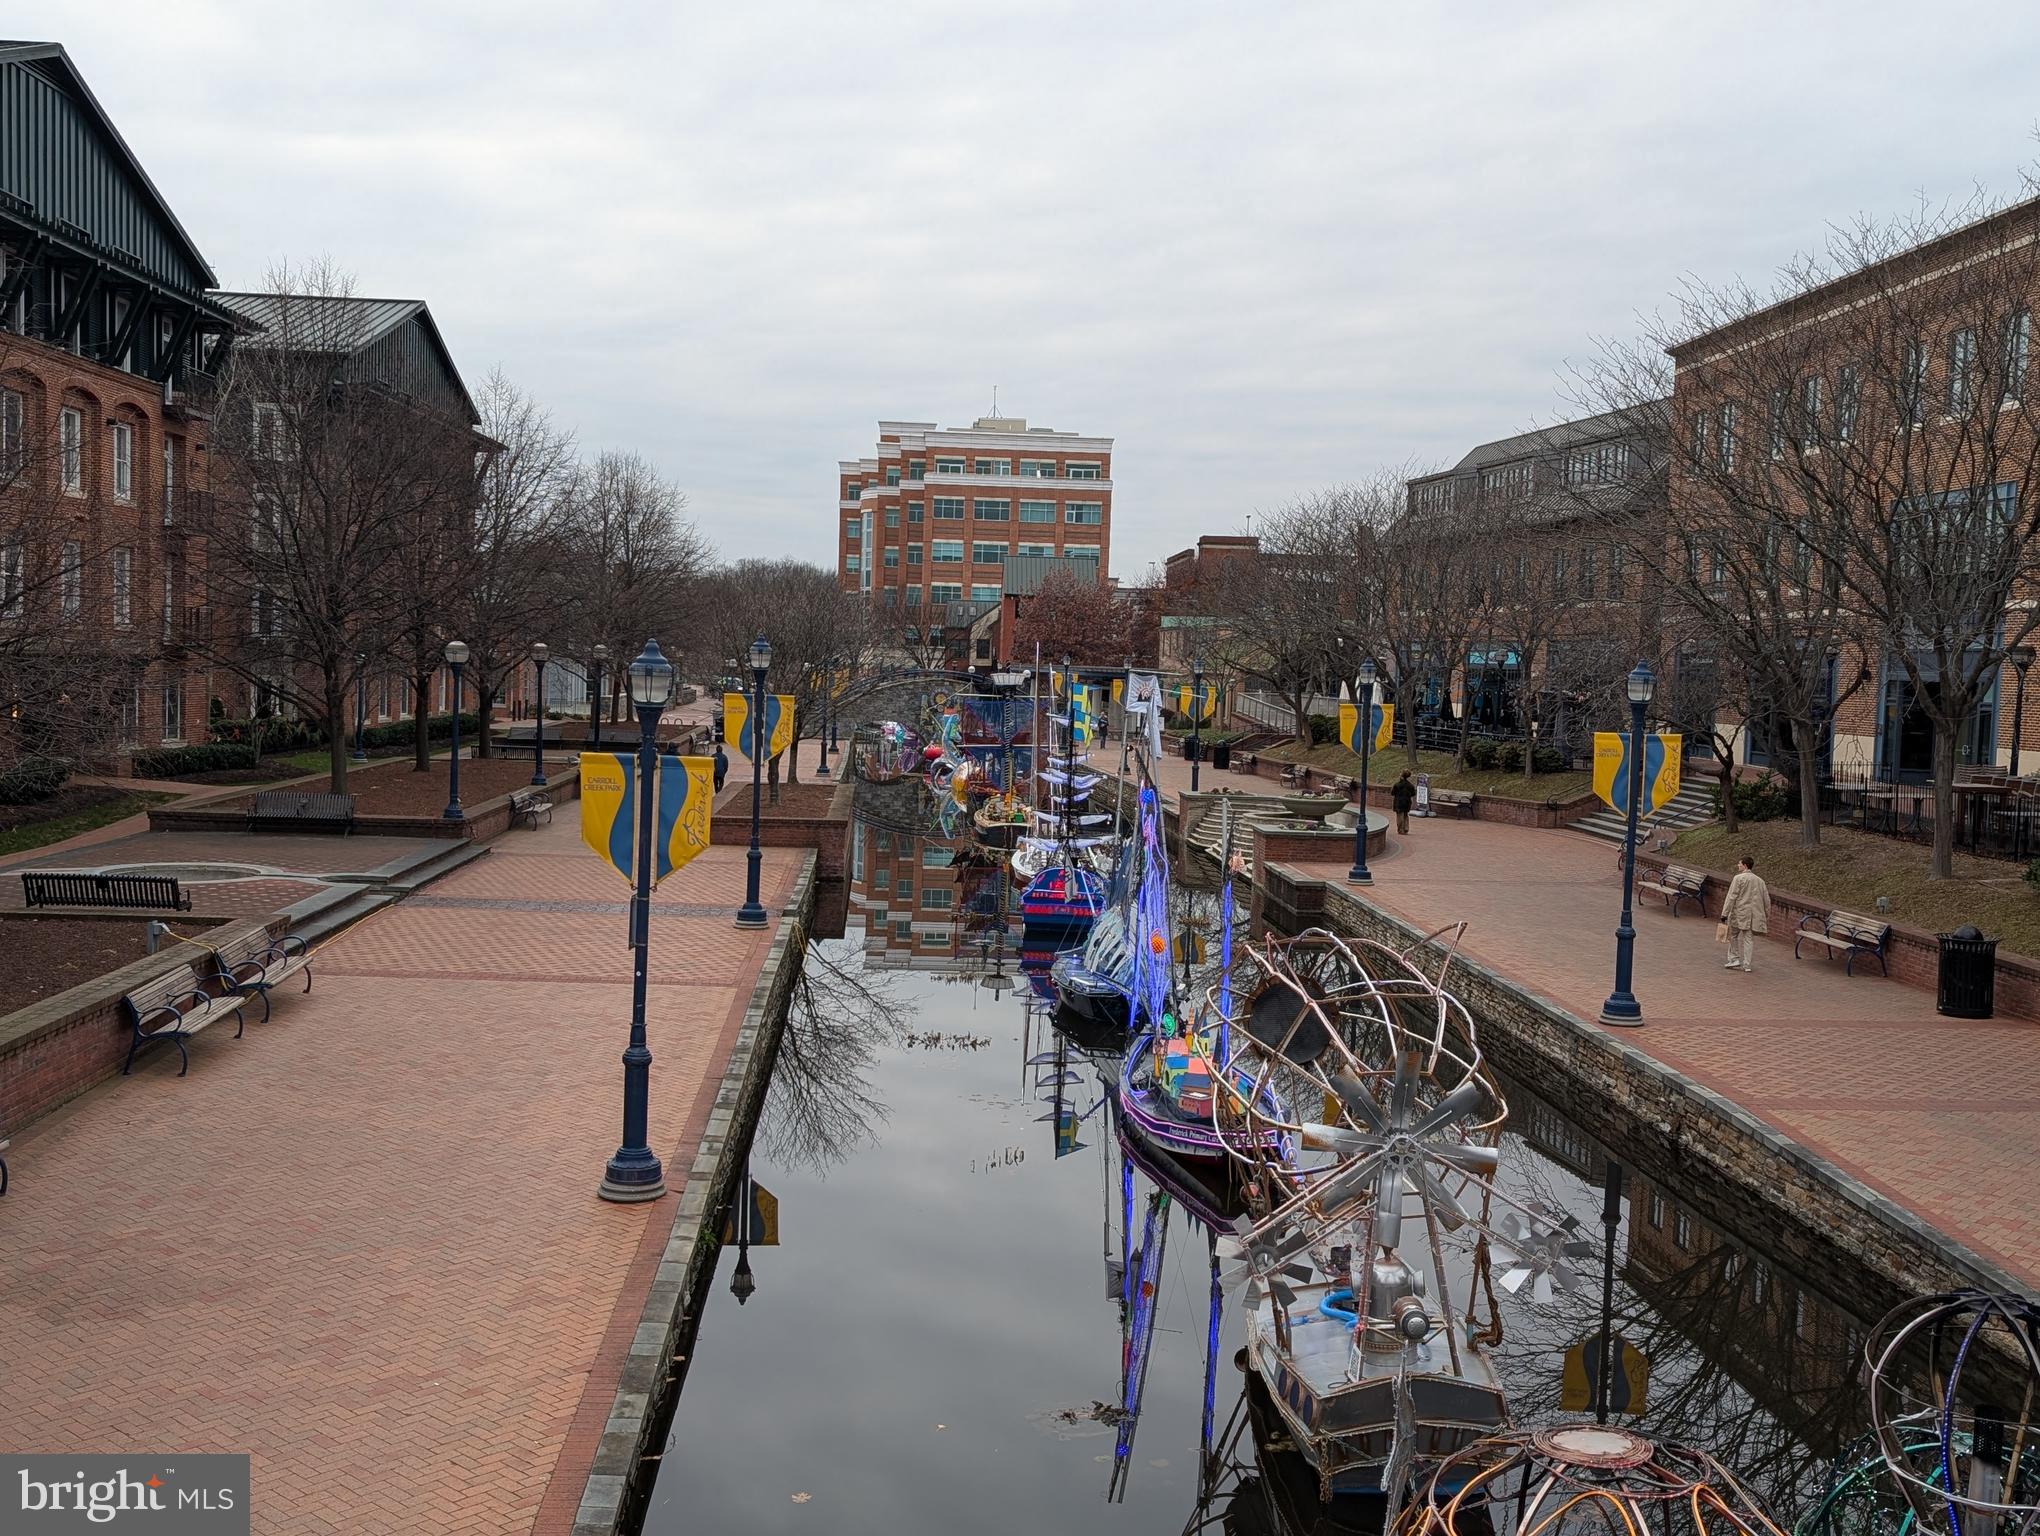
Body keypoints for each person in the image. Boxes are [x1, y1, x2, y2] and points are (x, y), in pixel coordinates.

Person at [1721, 854, 1769, 973]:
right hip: (1753, 915)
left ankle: (1734, 958)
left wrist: (1724, 913)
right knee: (1749, 939)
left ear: (1745, 865)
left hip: (1739, 912)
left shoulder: (1738, 879)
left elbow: (1731, 896)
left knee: (1733, 935)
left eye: (1740, 864)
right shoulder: (1760, 881)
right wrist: (1766, 915)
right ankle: (1747, 964)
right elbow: (1766, 900)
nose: (1738, 865)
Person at [1391, 770, 1416, 834]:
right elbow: (1413, 794)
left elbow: (1392, 793)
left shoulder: (1397, 785)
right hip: (1407, 802)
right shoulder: (1410, 785)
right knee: (1405, 815)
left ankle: (1400, 829)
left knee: (1400, 816)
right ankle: (1406, 828)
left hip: (1399, 802)